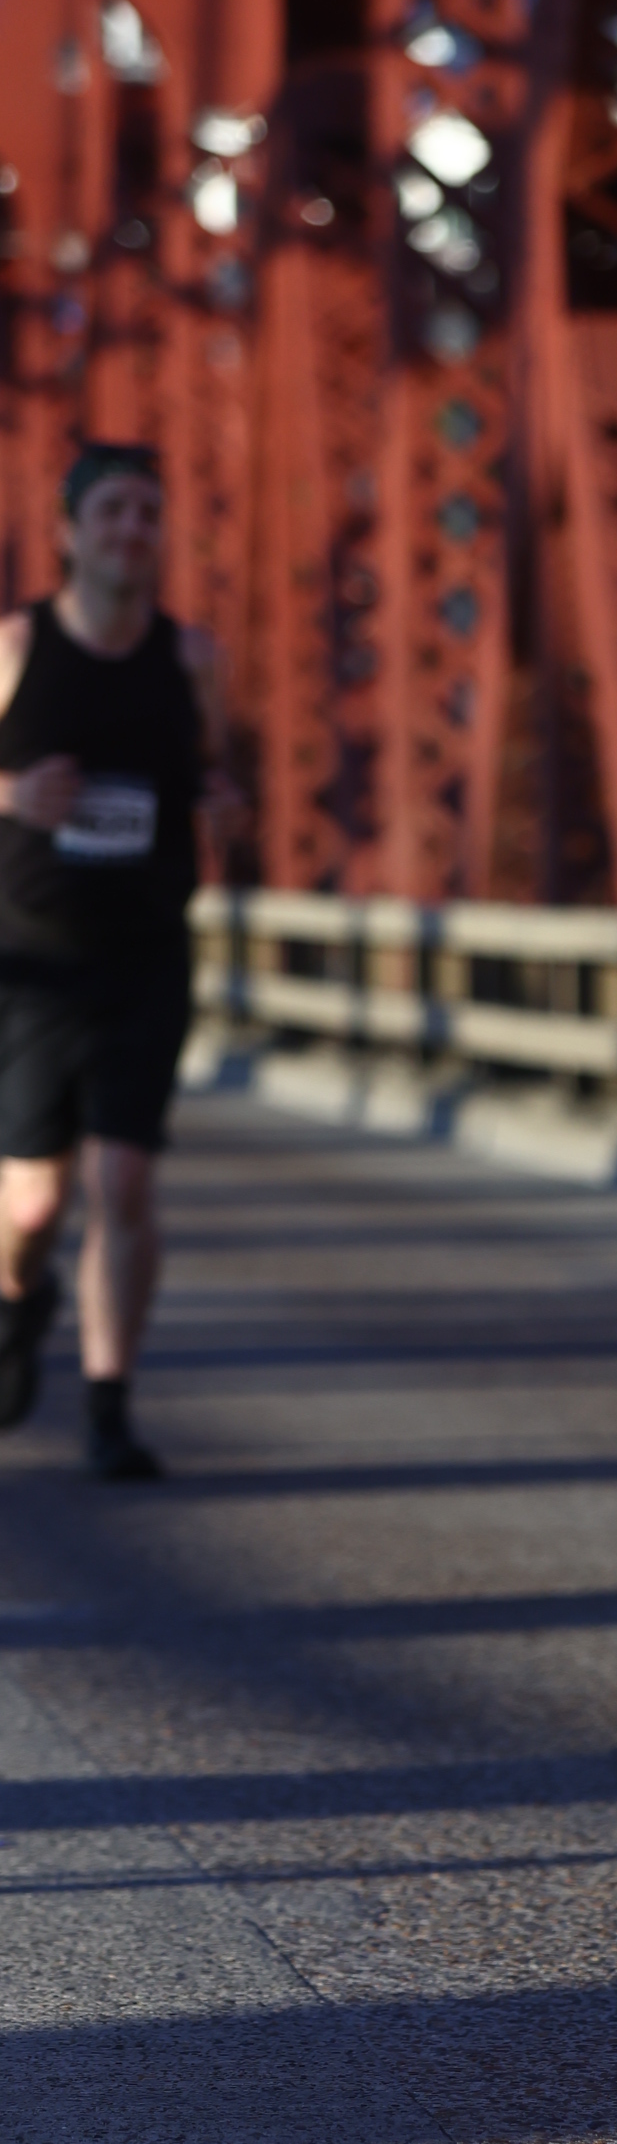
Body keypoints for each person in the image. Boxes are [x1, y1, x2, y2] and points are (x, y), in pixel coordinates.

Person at [0, 442, 218, 1482]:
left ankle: (108, 1406)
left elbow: (216, 772)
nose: (133, 530)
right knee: (32, 1206)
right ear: (68, 533)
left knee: (124, 1179)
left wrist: (226, 801)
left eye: (148, 513)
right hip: (31, 962)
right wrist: (10, 796)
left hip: (146, 955)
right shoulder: (15, 647)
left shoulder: (191, 657)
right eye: (113, 512)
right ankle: (18, 1297)